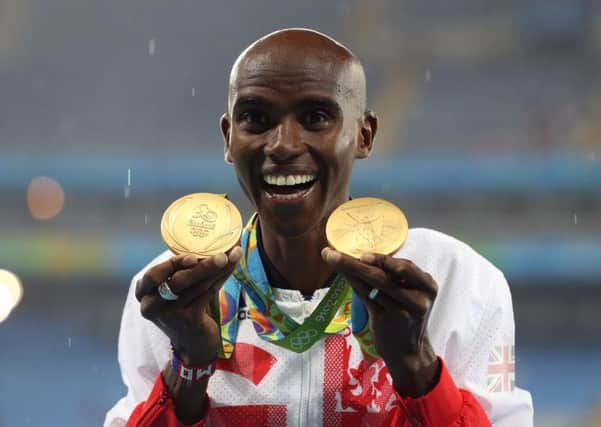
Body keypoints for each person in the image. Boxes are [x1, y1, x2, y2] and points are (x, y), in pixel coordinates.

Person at [105, 28, 533, 426]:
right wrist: (189, 365)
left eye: (315, 117)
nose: (283, 145)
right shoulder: (174, 292)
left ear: (364, 135)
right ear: (228, 137)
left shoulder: (458, 281)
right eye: (255, 118)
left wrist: (415, 365)